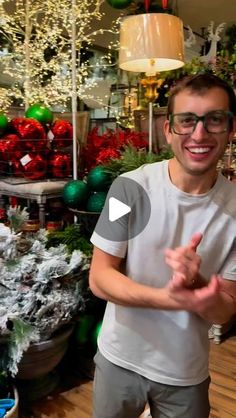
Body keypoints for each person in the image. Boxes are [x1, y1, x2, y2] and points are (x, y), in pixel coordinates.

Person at [89, 73, 236, 418]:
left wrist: (198, 285)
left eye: (214, 120)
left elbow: (225, 311)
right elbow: (99, 278)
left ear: (231, 129)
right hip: (118, 359)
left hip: (185, 373)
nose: (199, 134)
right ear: (168, 129)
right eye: (187, 121)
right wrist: (169, 298)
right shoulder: (128, 189)